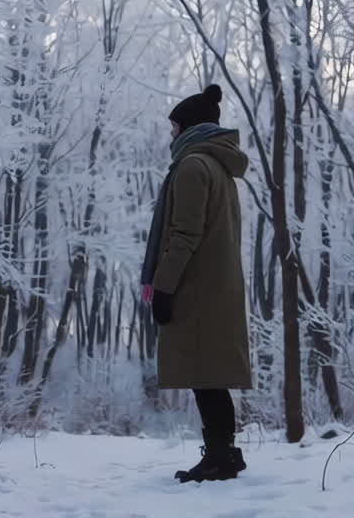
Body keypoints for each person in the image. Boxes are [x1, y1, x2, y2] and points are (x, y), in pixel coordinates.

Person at [141, 84, 252, 483]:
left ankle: (220, 456)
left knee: (205, 376)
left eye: (174, 126)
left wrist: (164, 287)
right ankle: (223, 453)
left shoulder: (193, 167)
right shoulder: (219, 167)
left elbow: (183, 235)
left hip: (197, 287)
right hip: (216, 285)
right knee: (211, 375)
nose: (170, 134)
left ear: (188, 126)